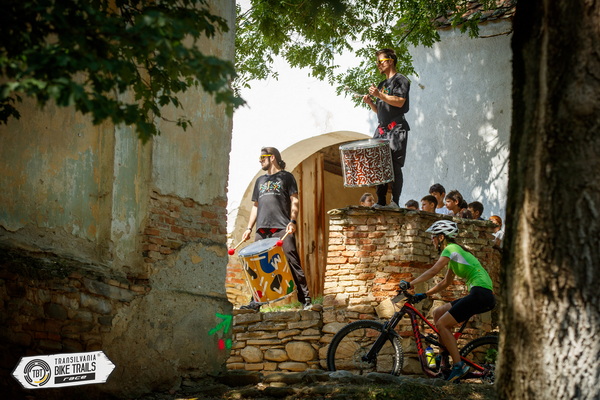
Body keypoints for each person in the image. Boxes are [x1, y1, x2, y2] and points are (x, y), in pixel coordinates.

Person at [401, 220, 495, 382]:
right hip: (481, 293)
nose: (432, 240)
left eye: (433, 237)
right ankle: (443, 358)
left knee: (442, 324)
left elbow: (434, 270)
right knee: (438, 312)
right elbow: (445, 282)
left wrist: (411, 284)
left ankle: (458, 366)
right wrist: (425, 294)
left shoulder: (451, 249)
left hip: (480, 293)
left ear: (442, 237)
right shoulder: (455, 255)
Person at [241, 147, 311, 310]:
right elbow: (255, 206)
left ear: (272, 157)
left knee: (292, 261)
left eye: (262, 158)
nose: (260, 161)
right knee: (257, 266)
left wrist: (292, 221)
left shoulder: (287, 177)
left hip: (282, 227)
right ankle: (256, 303)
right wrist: (249, 228)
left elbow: (294, 200)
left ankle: (306, 300)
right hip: (262, 229)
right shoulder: (260, 181)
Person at [363, 48, 410, 209]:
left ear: (390, 61)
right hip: (382, 131)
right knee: (378, 164)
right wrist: (371, 103)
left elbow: (400, 102)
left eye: (381, 61)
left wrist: (379, 95)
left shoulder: (400, 80)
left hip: (396, 129)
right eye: (377, 62)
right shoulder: (382, 85)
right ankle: (381, 201)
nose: (378, 65)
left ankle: (395, 202)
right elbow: (381, 111)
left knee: (394, 165)